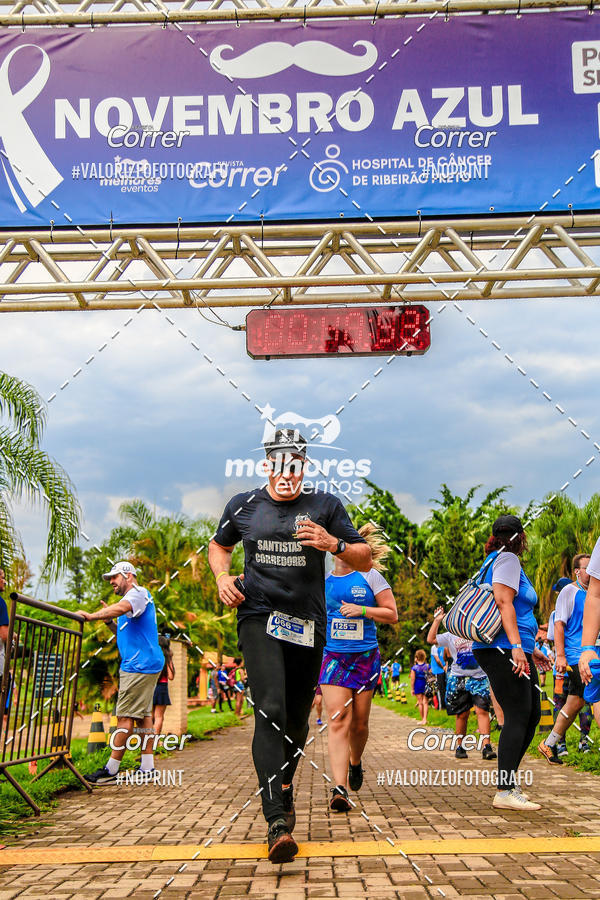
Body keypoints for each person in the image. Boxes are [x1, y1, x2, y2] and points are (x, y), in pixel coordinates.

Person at [208, 428, 371, 863]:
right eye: (279, 466)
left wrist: (332, 543)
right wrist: (223, 577)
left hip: (307, 624)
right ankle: (276, 820)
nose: (286, 474)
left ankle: (284, 782)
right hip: (259, 616)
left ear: (304, 467)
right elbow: (218, 546)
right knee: (271, 709)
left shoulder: (325, 506)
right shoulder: (243, 506)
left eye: (294, 466)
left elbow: (364, 556)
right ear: (267, 466)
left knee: (297, 721)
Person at [471, 515, 551, 811]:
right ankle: (504, 790)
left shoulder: (496, 560)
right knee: (518, 713)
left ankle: (510, 782)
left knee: (529, 715)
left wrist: (531, 650)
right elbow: (504, 601)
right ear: (521, 537)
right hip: (503, 647)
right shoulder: (508, 561)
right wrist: (517, 647)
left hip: (512, 647)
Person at [319, 523, 397, 811]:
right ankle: (339, 788)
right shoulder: (321, 580)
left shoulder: (371, 577)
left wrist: (363, 610)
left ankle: (355, 762)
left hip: (364, 657)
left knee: (360, 723)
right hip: (333, 658)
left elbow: (392, 614)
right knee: (339, 720)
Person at [81, 561, 165, 785]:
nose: (111, 582)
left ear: (128, 575)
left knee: (125, 718)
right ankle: (147, 768)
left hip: (137, 666)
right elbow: (123, 631)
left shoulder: (137, 593)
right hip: (146, 663)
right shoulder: (134, 600)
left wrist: (91, 616)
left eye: (114, 577)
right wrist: (109, 621)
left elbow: (121, 608)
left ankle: (111, 770)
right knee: (144, 718)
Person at [539, 553, 592, 763]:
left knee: (576, 703)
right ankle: (555, 743)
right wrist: (560, 655)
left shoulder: (594, 593)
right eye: (587, 567)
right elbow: (559, 624)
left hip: (591, 655)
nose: (593, 570)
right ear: (577, 571)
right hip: (575, 657)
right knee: (587, 700)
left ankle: (549, 743)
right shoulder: (570, 591)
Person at [427, 609, 496, 760]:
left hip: (479, 677)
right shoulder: (451, 635)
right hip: (459, 679)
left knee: (482, 711)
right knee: (462, 713)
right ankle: (460, 746)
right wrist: (437, 620)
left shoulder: (478, 630)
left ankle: (486, 746)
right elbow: (431, 639)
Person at [153, 635, 175, 735]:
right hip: (162, 688)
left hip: (150, 687)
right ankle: (155, 741)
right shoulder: (167, 657)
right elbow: (171, 676)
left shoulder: (151, 656)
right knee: (159, 716)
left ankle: (147, 741)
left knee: (148, 717)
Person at [410, 650, 431, 725]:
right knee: (425, 702)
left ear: (416, 657)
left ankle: (422, 719)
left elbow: (412, 679)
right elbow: (430, 677)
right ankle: (425, 719)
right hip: (426, 684)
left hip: (418, 685)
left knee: (420, 702)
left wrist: (412, 689)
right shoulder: (428, 666)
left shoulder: (414, 668)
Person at [0, 569, 10, 715]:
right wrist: (13, 635)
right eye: (2, 578)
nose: (4, 581)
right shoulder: (1, 603)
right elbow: (4, 635)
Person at [429, 642, 447, 710]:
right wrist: (444, 667)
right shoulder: (434, 647)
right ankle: (441, 707)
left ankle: (444, 705)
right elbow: (437, 660)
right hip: (437, 670)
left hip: (442, 670)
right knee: (439, 689)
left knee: (442, 689)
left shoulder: (442, 646)